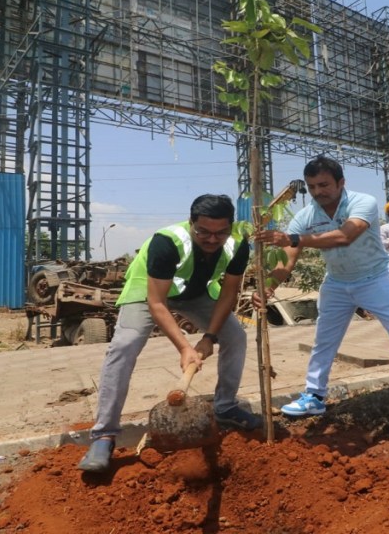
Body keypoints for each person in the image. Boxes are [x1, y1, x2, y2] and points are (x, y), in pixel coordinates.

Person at [253, 155, 389, 430]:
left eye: (324, 185)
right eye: (312, 186)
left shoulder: (363, 202)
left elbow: (345, 235)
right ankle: (314, 396)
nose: (318, 192)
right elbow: (287, 259)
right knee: (324, 342)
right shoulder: (306, 217)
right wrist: (267, 289)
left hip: (376, 280)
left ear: (341, 183)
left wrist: (291, 238)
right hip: (337, 284)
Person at [78, 194, 260, 472]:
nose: (212, 239)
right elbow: (157, 303)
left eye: (220, 233)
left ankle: (224, 408)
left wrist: (209, 337)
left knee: (235, 336)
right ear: (191, 224)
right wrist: (185, 348)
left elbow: (229, 293)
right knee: (124, 345)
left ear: (230, 227)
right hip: (149, 291)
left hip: (195, 292)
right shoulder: (167, 242)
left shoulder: (238, 245)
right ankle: (104, 434)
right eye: (204, 232)